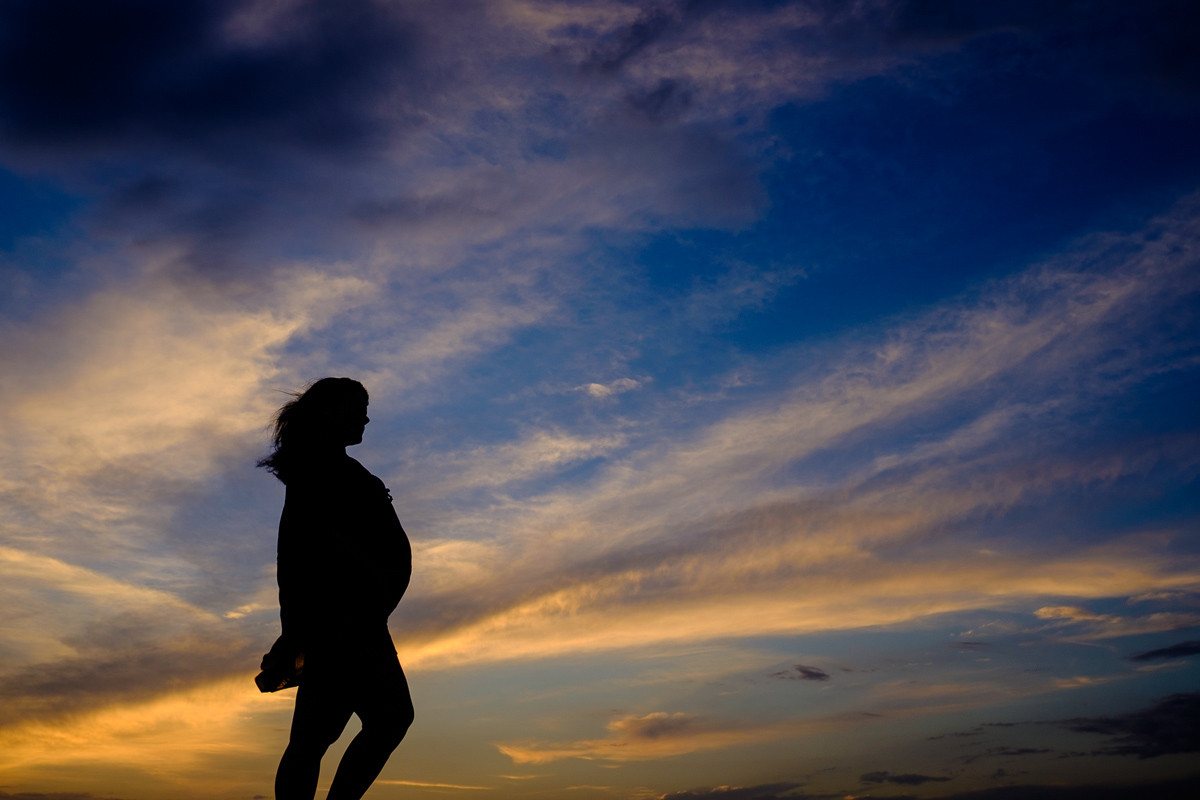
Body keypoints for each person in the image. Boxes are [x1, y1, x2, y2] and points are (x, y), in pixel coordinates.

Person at [258, 377, 414, 800]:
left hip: (355, 620)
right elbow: (299, 552)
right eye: (356, 408)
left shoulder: (333, 468)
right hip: (344, 624)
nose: (365, 417)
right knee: (388, 718)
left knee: (315, 736)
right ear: (330, 412)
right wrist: (367, 575)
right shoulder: (317, 472)